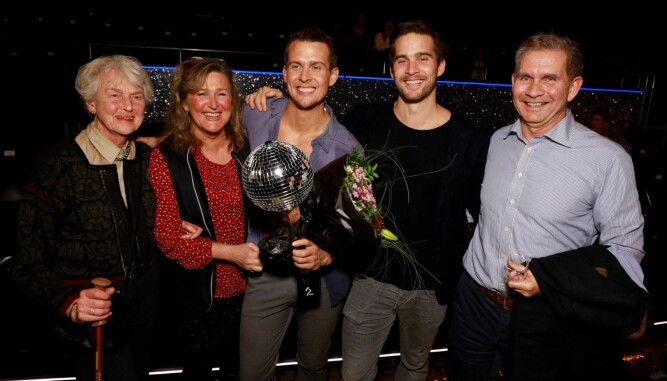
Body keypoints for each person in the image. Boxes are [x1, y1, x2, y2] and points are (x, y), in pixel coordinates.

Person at [447, 33, 649, 381]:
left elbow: (625, 252)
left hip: (547, 313)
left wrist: (551, 282)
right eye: (525, 77)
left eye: (549, 78)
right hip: (473, 303)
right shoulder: (497, 141)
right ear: (513, 82)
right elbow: (477, 209)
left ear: (573, 87)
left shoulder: (608, 159)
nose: (534, 90)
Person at [339, 20, 492, 381]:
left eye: (422, 58)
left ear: (439, 66)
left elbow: (485, 212)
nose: (411, 70)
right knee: (354, 375)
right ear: (391, 68)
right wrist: (271, 98)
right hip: (370, 278)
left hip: (430, 286)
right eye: (402, 60)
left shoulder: (472, 139)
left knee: (414, 367)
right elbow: (313, 125)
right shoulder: (364, 120)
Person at [12, 55, 159, 381]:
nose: (128, 106)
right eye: (115, 95)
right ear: (91, 103)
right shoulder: (58, 166)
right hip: (92, 307)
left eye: (136, 96)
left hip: (146, 301)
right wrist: (69, 304)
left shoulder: (148, 158)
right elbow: (27, 261)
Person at [239, 26, 360, 381]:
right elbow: (205, 129)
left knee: (313, 368)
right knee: (252, 373)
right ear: (284, 73)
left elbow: (359, 231)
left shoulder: (349, 151)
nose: (305, 77)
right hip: (267, 272)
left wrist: (329, 255)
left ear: (333, 76)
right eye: (296, 66)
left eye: (316, 67)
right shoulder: (257, 114)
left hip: (322, 282)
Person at [149, 56, 262, 380]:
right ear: (185, 102)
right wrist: (230, 253)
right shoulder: (168, 157)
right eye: (201, 93)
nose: (213, 104)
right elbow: (169, 238)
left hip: (250, 295)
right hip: (197, 298)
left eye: (222, 93)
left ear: (233, 102)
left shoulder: (247, 150)